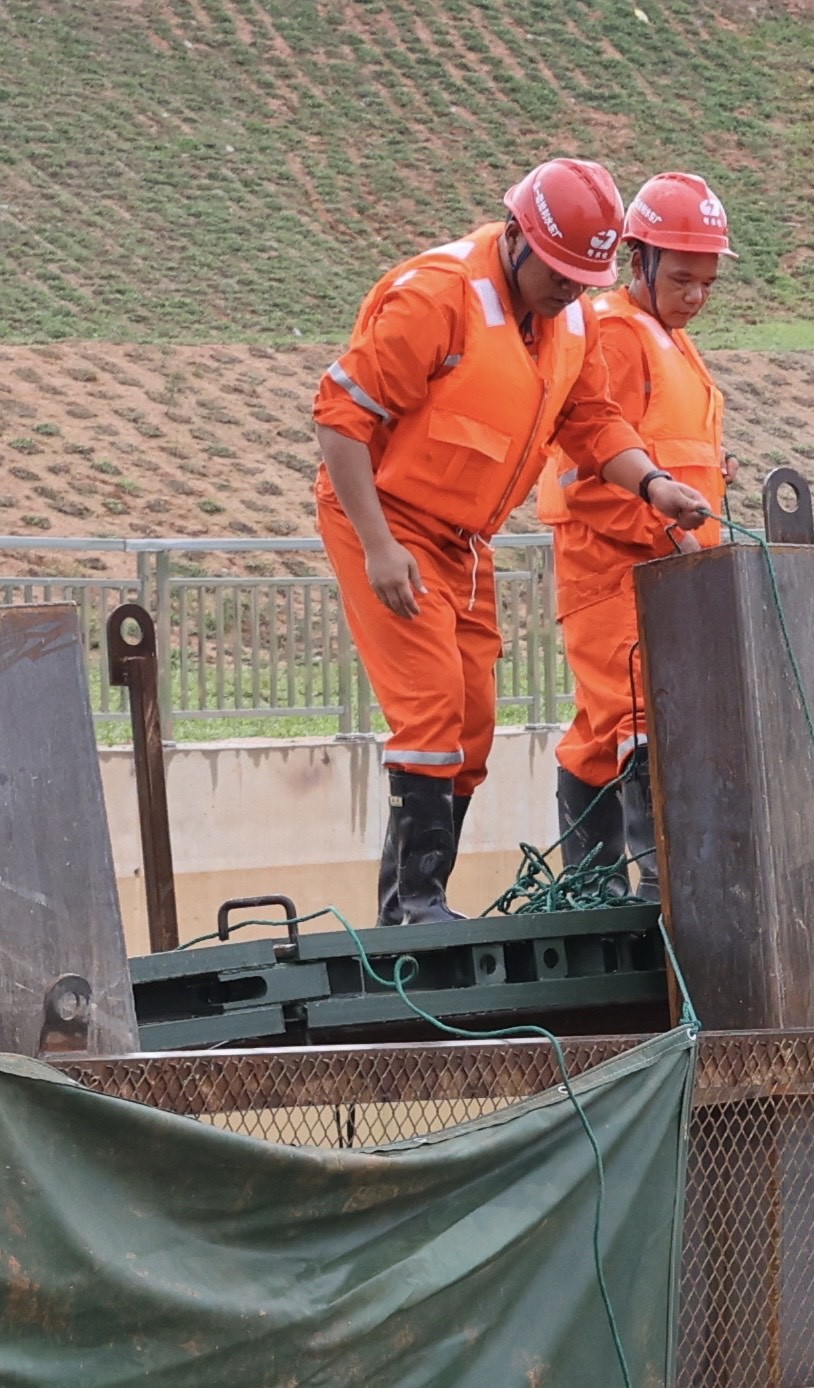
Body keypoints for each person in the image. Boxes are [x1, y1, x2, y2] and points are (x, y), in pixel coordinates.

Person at [313, 160, 707, 926]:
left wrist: (653, 484)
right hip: (389, 520)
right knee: (429, 706)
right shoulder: (437, 296)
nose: (569, 289)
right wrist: (377, 545)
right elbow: (339, 417)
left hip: (464, 539)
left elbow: (590, 423)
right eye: (558, 273)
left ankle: (418, 897)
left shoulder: (572, 322)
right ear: (520, 236)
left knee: (473, 722)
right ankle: (413, 909)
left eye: (581, 278)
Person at [536, 170, 734, 885]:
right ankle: (647, 883)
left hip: (665, 569)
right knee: (633, 719)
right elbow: (584, 467)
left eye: (707, 282)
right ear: (638, 259)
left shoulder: (671, 341)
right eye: (682, 278)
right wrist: (663, 525)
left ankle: (602, 880)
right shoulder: (615, 332)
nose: (696, 295)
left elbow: (671, 448)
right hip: (612, 568)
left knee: (612, 726)